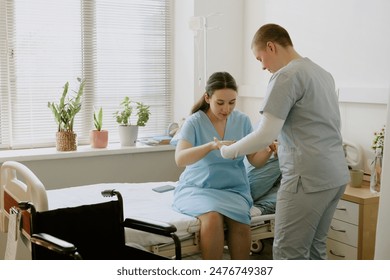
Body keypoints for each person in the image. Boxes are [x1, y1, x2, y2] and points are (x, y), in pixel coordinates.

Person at [216, 24, 350, 260]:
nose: (263, 66)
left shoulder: (286, 75)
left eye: (261, 58)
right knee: (315, 249)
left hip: (306, 178)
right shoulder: (322, 74)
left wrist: (229, 151)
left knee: (288, 253)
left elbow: (264, 134)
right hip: (335, 175)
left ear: (271, 46)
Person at [170, 71, 275, 260]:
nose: (226, 109)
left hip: (233, 190)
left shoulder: (242, 121)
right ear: (207, 97)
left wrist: (267, 151)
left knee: (241, 223)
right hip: (198, 188)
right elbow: (180, 159)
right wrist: (211, 146)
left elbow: (254, 161)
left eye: (232, 102)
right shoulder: (195, 122)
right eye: (220, 103)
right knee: (212, 220)